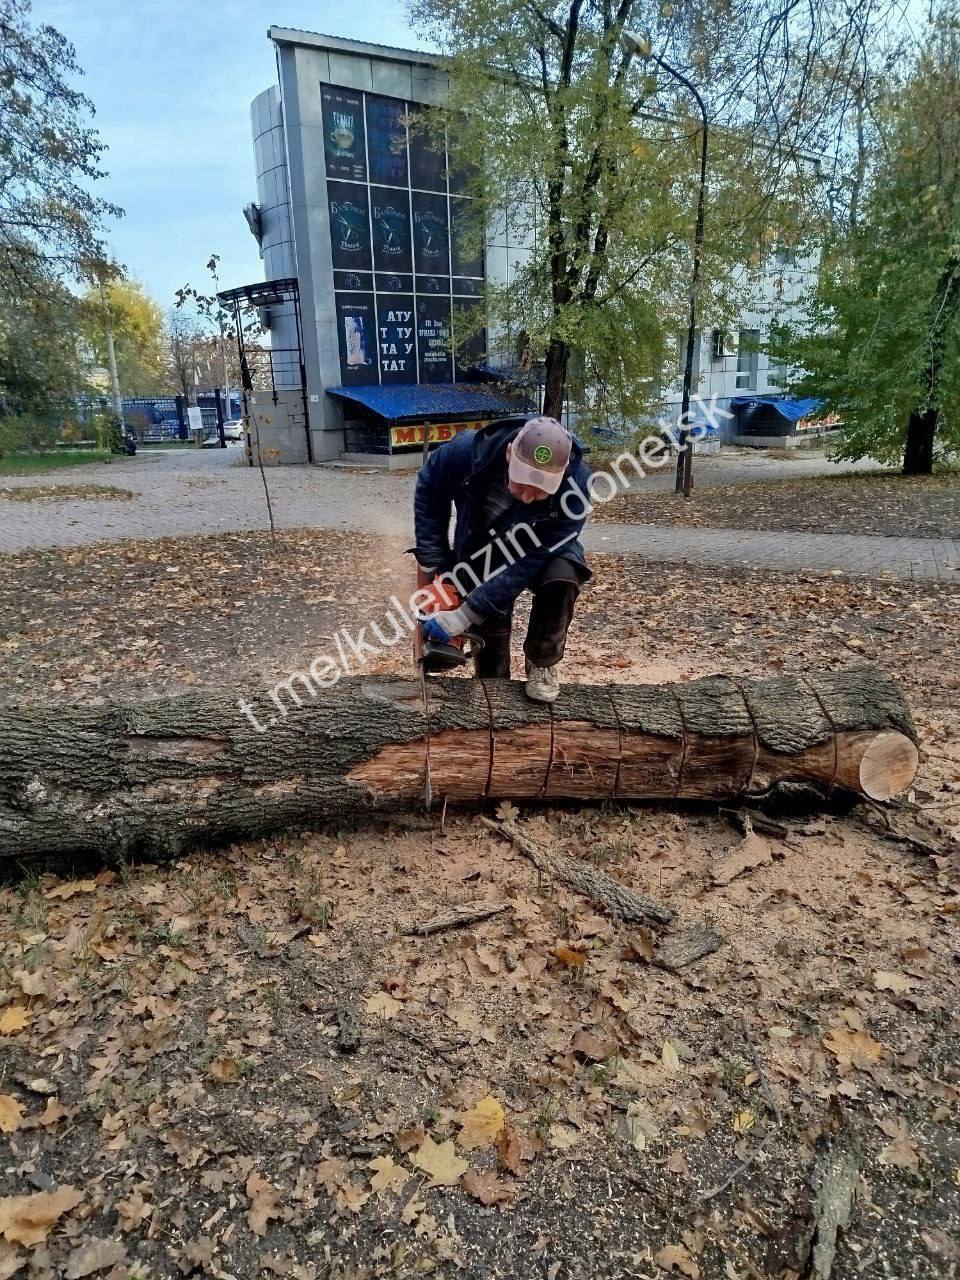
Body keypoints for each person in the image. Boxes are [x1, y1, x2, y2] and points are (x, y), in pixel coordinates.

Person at [414, 414, 592, 703]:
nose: (526, 497)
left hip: (544, 549)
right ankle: (493, 688)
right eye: (521, 484)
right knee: (491, 629)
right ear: (510, 453)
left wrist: (464, 614)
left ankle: (542, 660)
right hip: (482, 543)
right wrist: (436, 563)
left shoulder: (578, 488)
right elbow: (429, 487)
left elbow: (527, 562)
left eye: (539, 492)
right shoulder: (469, 452)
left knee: (563, 576)